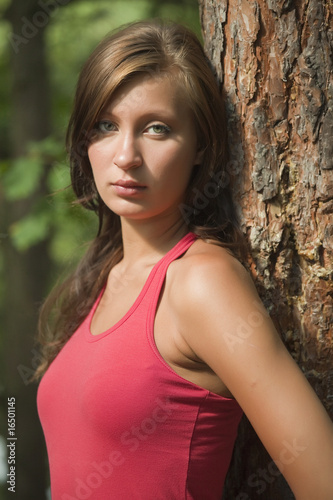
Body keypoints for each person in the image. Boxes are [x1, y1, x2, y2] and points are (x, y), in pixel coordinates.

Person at [36, 19, 333, 500]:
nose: (126, 155)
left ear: (199, 148)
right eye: (106, 126)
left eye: (157, 129)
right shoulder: (104, 278)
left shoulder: (201, 282)